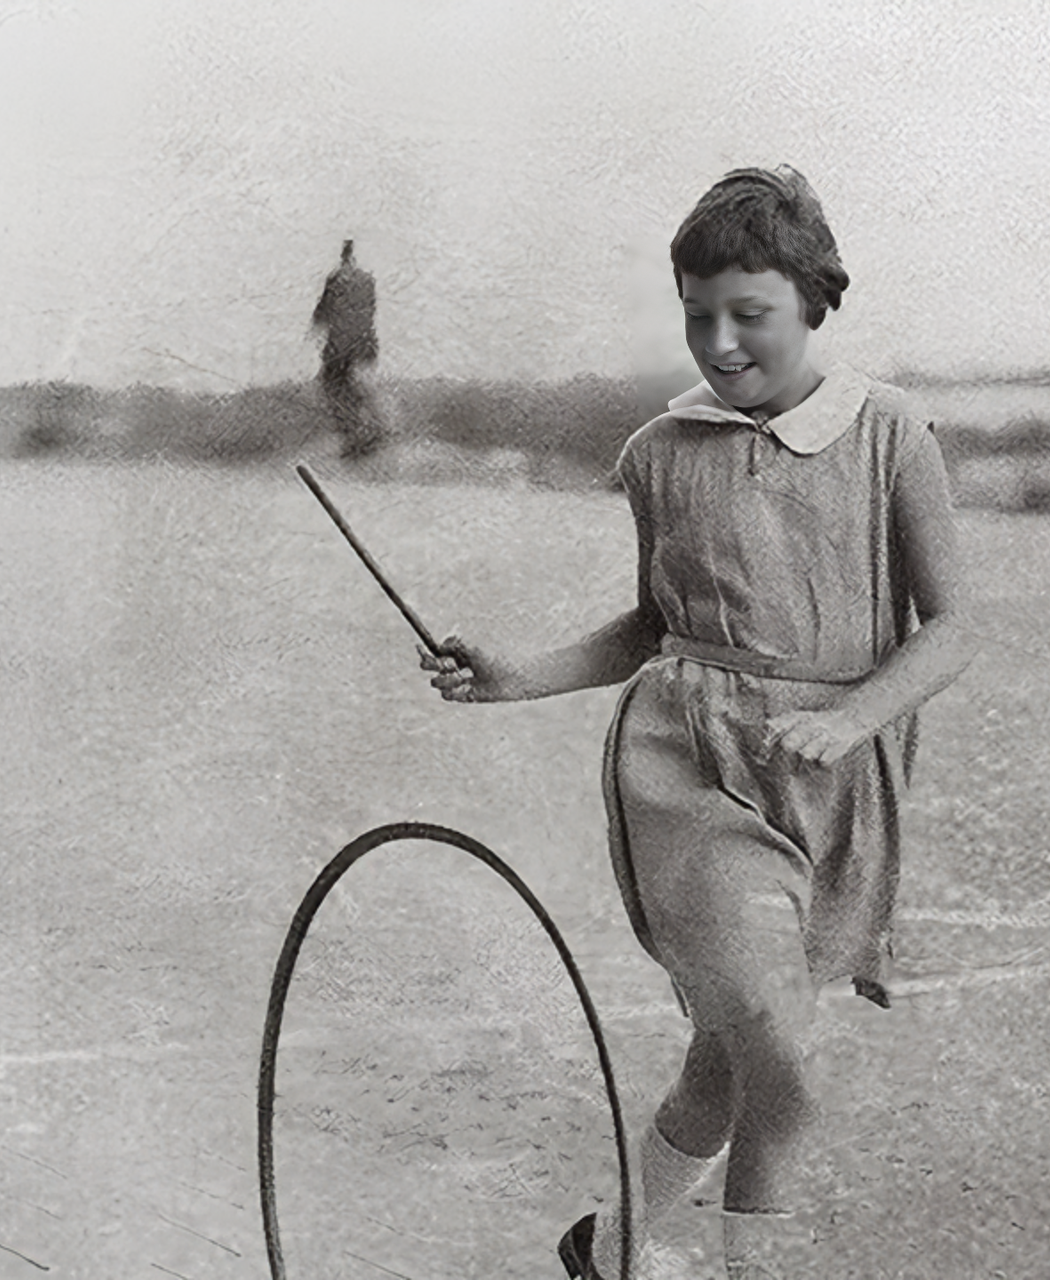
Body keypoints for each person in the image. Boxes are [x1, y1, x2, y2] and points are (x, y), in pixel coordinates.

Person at [423, 167, 975, 1279]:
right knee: (785, 1060)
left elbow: (951, 626)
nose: (719, 344)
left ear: (814, 301)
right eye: (696, 314)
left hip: (830, 782)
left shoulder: (888, 432)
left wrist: (855, 716)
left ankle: (609, 1248)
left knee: (729, 1058)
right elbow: (648, 625)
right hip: (689, 772)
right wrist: (515, 675)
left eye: (748, 315)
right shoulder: (659, 452)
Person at [312, 238, 385, 458]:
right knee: (359, 386)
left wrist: (316, 327)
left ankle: (355, 434)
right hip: (365, 345)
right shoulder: (367, 280)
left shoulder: (337, 279)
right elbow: (369, 310)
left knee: (333, 389)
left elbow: (321, 314)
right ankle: (374, 427)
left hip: (341, 347)